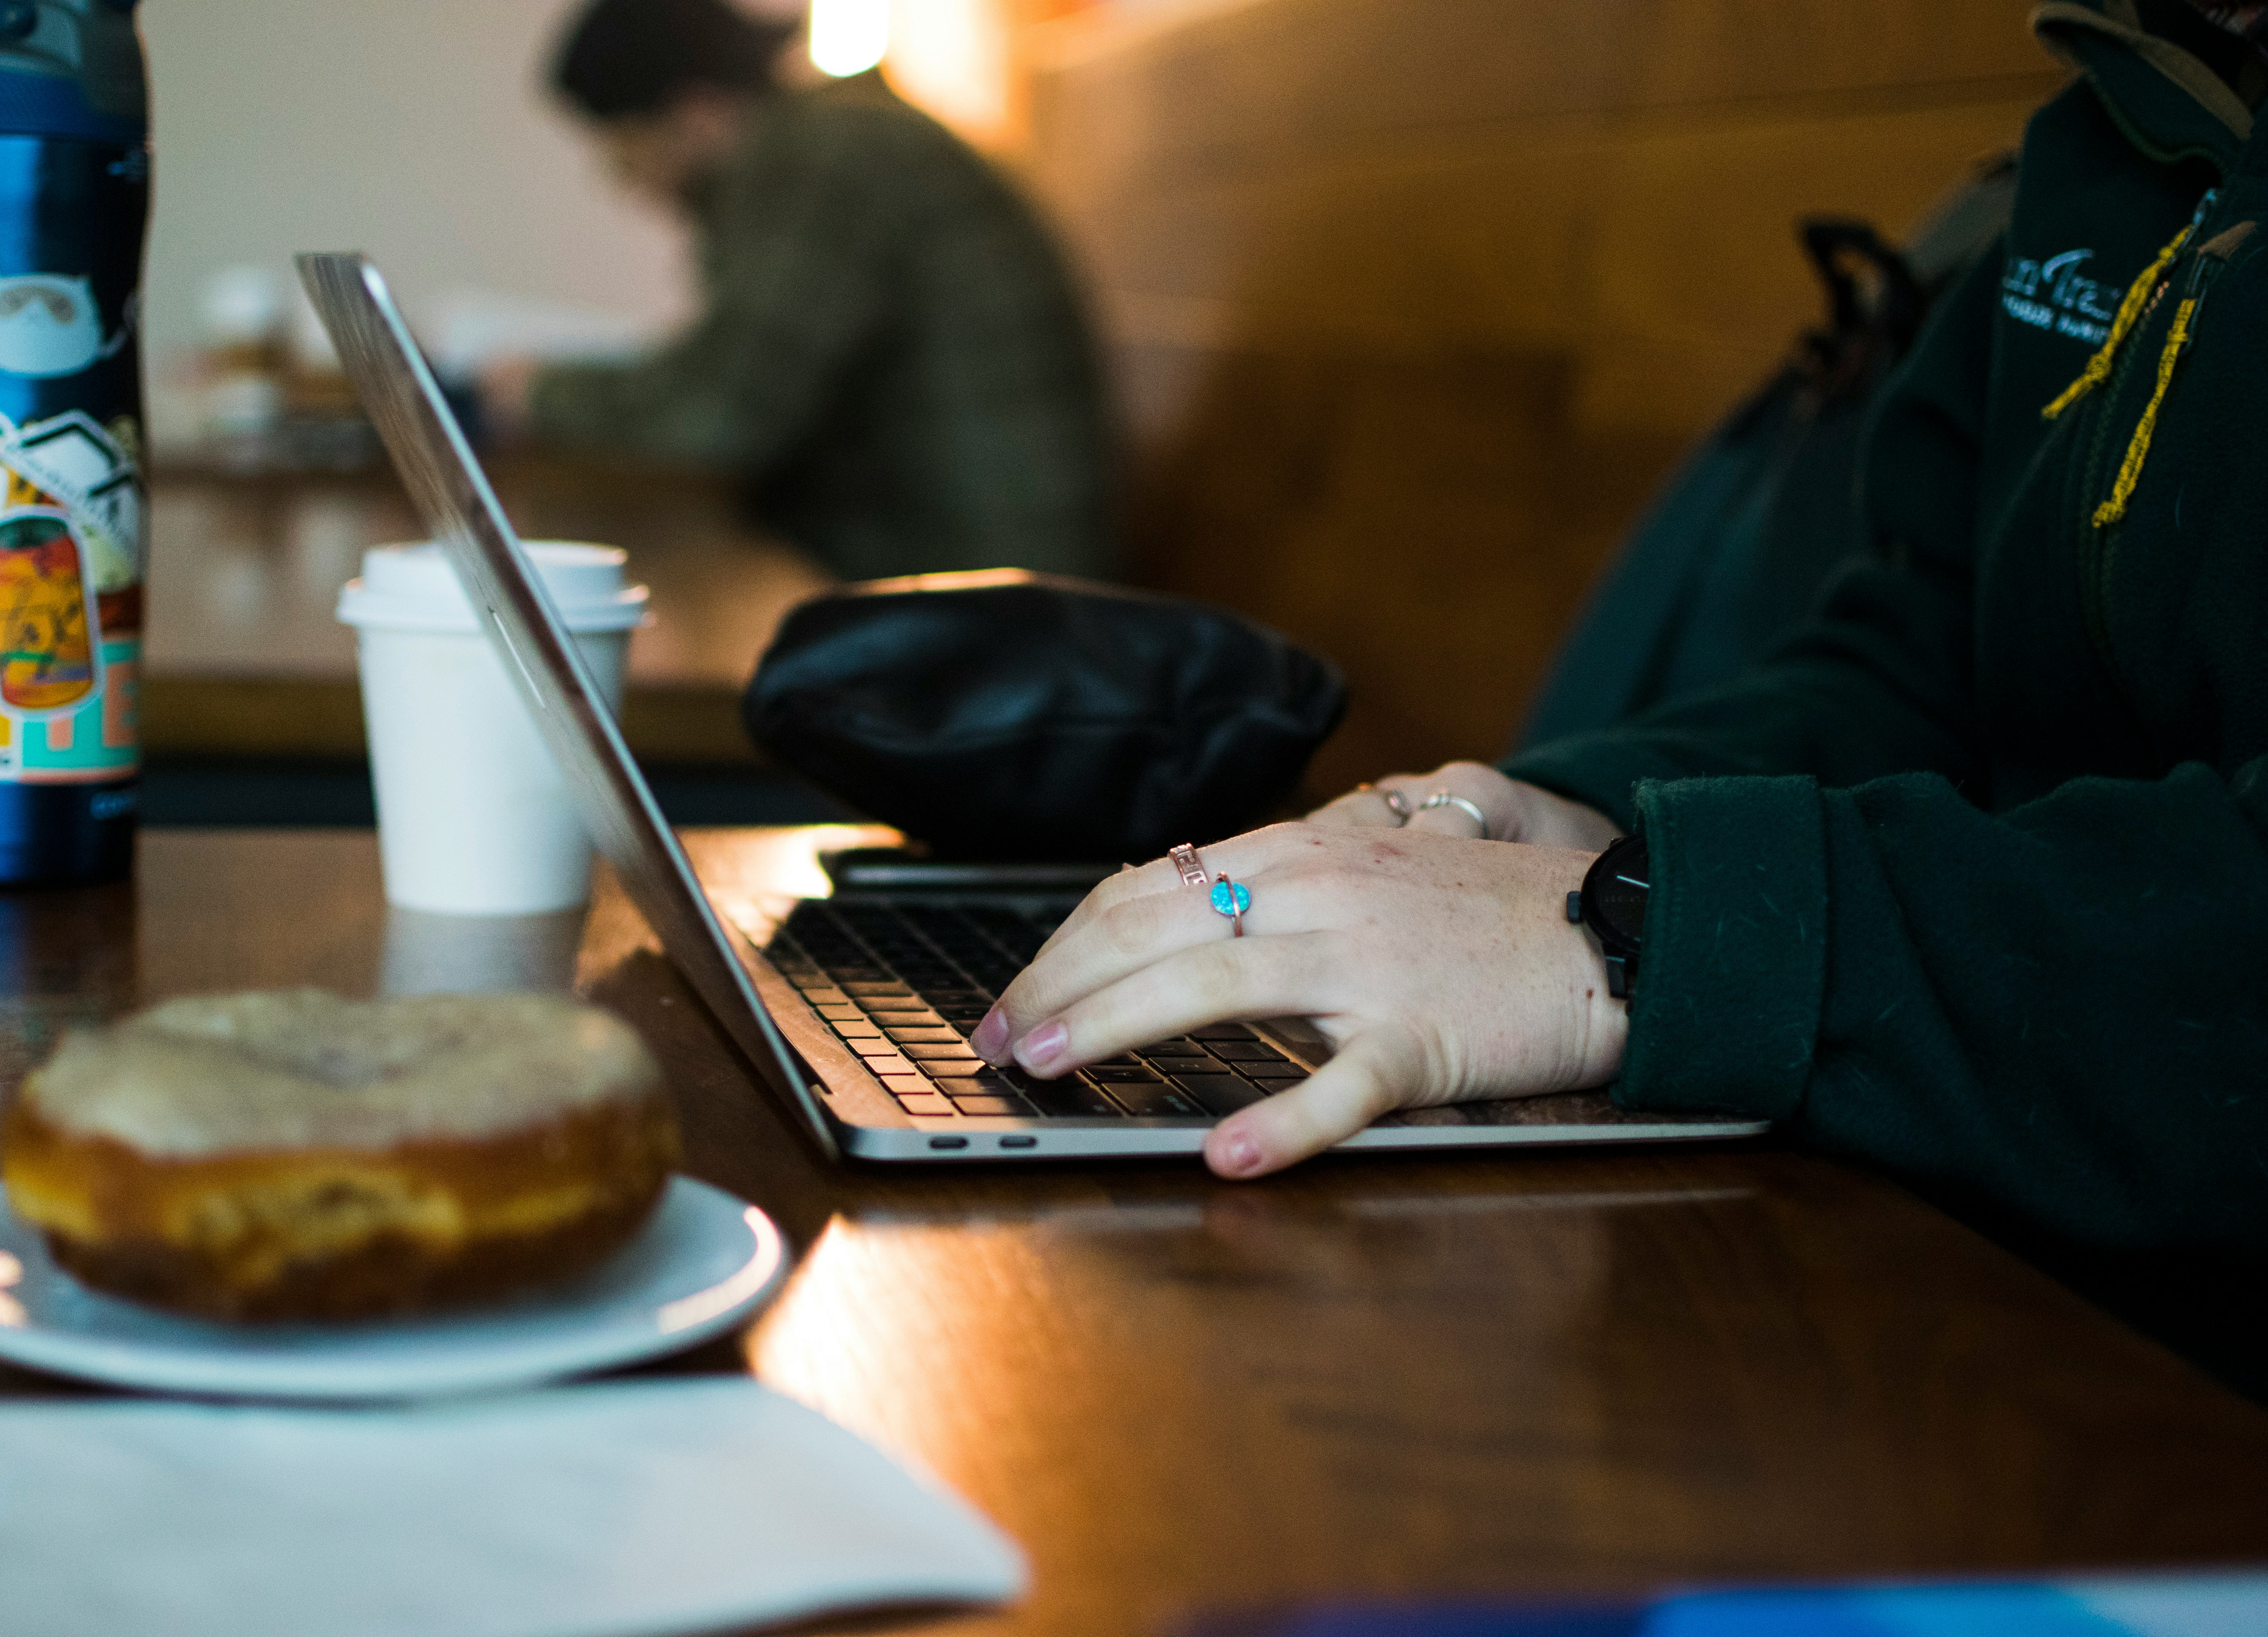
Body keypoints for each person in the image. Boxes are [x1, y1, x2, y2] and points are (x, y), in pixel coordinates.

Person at [970, 0, 2268, 1391]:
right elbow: (1920, 663)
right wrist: (1571, 812)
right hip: (1981, 1222)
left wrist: (1650, 936)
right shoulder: (2129, 115)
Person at [493, 0, 1119, 583]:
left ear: (696, 113)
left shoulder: (824, 157)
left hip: (993, 593)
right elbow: (728, 377)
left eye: (626, 148)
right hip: (970, 563)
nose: (628, 185)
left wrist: (534, 393)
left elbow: (716, 416)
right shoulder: (831, 140)